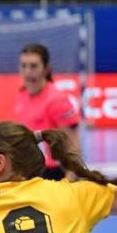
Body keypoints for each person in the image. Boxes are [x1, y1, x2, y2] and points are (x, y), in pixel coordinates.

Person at [14, 44, 80, 180]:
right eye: (23, 66)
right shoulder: (22, 95)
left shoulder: (56, 100)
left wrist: (69, 181)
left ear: (46, 68)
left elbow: (73, 144)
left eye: (33, 66)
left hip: (54, 172)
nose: (27, 71)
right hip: (31, 170)